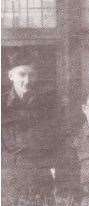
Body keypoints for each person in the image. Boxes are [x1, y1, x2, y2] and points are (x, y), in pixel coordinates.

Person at [1, 49, 57, 198]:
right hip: (9, 179)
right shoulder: (2, 104)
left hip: (40, 178)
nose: (27, 80)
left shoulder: (48, 104)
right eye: (22, 74)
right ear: (10, 75)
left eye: (31, 75)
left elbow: (56, 141)